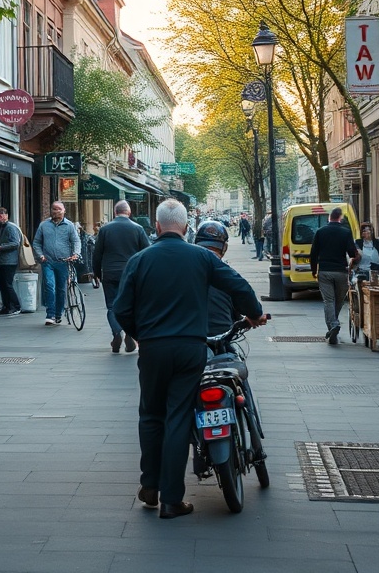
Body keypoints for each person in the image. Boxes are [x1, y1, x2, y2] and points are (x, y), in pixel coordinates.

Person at [113, 199, 265, 519]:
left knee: (151, 416)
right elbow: (238, 286)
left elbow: (121, 309)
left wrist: (140, 333)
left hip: (153, 349)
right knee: (178, 417)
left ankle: (149, 485)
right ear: (185, 227)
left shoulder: (140, 260)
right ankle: (171, 499)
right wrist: (253, 314)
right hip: (190, 349)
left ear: (156, 226)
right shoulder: (200, 258)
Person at [193, 220, 268, 474]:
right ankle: (255, 438)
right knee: (240, 382)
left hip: (190, 344)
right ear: (223, 248)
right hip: (222, 342)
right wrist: (254, 317)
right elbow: (242, 295)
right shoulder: (224, 270)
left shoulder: (186, 271)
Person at [92, 200, 150, 353]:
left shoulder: (105, 230)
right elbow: (147, 252)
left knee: (111, 306)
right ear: (129, 212)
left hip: (109, 273)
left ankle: (117, 332)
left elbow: (97, 254)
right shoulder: (137, 229)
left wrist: (97, 273)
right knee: (131, 305)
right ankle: (129, 333)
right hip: (131, 273)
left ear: (115, 212)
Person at [309, 207, 360, 345]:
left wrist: (314, 270)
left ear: (329, 218)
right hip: (341, 271)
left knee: (328, 301)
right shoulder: (346, 232)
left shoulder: (320, 232)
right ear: (340, 218)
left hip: (325, 271)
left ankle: (333, 325)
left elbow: (313, 253)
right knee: (338, 301)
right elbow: (352, 253)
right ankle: (333, 325)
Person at [32, 201, 81, 326]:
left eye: (59, 209)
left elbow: (76, 241)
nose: (56, 211)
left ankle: (59, 314)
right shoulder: (44, 225)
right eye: (54, 209)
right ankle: (50, 315)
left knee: (61, 289)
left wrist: (75, 253)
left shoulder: (69, 226)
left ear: (64, 210)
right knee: (49, 286)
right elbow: (37, 242)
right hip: (47, 261)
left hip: (63, 262)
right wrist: (40, 255)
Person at [0, 207, 22, 316]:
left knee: (7, 284)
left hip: (9, 261)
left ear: (7, 215)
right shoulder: (1, 228)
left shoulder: (10, 228)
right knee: (2, 284)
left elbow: (15, 243)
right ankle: (6, 306)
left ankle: (16, 306)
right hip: (2, 261)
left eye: (2, 215)